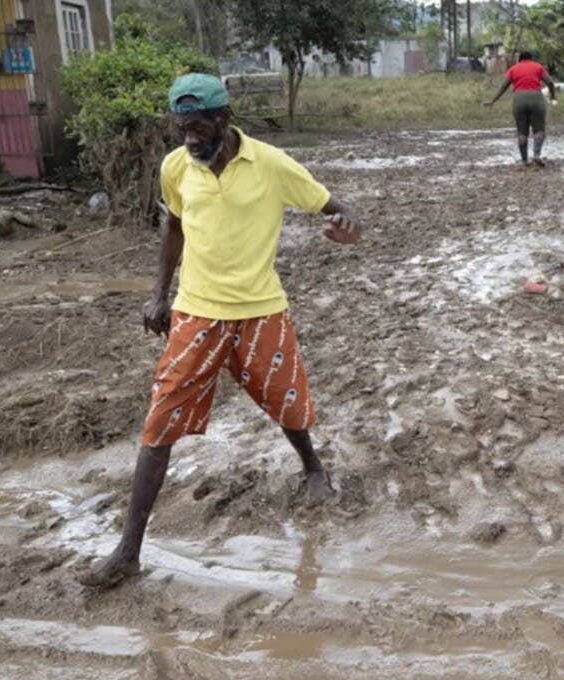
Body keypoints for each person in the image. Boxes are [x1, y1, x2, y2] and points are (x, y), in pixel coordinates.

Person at [80, 74, 363, 588]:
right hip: (197, 313)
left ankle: (313, 469)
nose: (190, 141)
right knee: (160, 420)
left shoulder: (272, 165)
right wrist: (158, 296)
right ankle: (128, 549)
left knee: (287, 403)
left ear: (223, 120)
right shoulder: (176, 167)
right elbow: (174, 227)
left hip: (261, 310)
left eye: (198, 130)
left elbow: (340, 209)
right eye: (182, 129)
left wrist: (346, 228)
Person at [484, 51, 558, 167]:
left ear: (520, 59)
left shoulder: (514, 69)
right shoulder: (537, 67)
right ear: (531, 58)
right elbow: (550, 82)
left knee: (522, 131)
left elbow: (504, 86)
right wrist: (553, 96)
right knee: (539, 129)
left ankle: (524, 160)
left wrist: (493, 100)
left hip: (519, 100)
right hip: (536, 98)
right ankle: (537, 155)